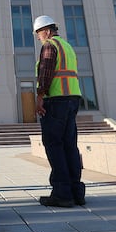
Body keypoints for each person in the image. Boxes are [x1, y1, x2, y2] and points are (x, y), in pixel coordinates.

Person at [33, 15, 85, 208]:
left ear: (46, 30)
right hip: (73, 99)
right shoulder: (68, 47)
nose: (38, 37)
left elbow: (45, 72)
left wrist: (39, 98)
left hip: (56, 100)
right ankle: (76, 192)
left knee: (54, 145)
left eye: (38, 33)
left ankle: (62, 194)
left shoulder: (49, 45)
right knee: (69, 146)